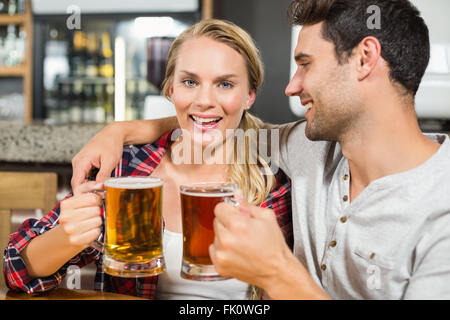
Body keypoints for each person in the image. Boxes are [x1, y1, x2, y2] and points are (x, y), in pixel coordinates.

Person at [69, 0, 450, 299]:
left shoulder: (441, 211)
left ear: (365, 58)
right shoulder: (310, 148)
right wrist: (121, 130)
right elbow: (214, 119)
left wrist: (276, 272)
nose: (291, 86)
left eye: (305, 64)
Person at [3, 19, 293, 300]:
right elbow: (16, 271)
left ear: (250, 95)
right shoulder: (127, 169)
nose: (204, 100)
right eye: (190, 82)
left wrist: (122, 128)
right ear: (171, 90)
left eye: (225, 84)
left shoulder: (271, 180)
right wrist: (68, 237)